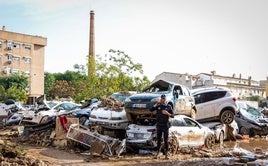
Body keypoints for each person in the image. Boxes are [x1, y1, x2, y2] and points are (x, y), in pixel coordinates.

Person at [150, 94, 174, 159]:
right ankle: (157, 154)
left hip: (165, 125)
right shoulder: (158, 106)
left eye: (164, 98)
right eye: (162, 98)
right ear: (161, 99)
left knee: (166, 140)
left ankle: (166, 154)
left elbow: (173, 115)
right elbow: (151, 110)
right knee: (158, 140)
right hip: (159, 125)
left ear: (165, 99)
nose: (163, 99)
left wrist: (167, 113)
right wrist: (155, 105)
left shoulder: (168, 107)